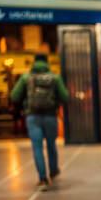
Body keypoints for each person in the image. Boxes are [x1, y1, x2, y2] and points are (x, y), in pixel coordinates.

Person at [10, 54, 68, 190]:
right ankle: (53, 170)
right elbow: (65, 97)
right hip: (50, 116)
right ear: (47, 63)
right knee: (51, 144)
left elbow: (14, 95)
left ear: (34, 63)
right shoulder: (55, 77)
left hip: (33, 116)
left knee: (37, 147)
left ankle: (42, 179)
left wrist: (26, 98)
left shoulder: (26, 77)